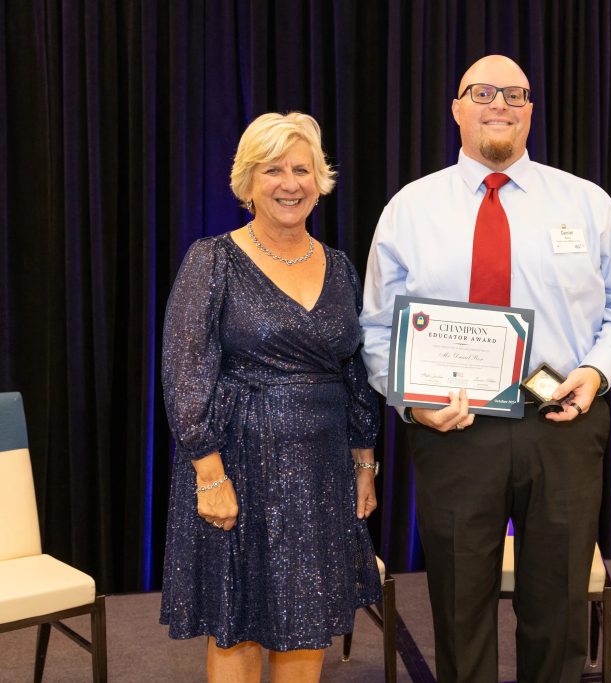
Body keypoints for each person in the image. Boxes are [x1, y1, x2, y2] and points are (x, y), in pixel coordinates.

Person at [360, 55, 611, 682]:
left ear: (530, 111)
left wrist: (597, 372)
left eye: (515, 94)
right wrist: (412, 403)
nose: (499, 104)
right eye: (483, 92)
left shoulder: (587, 203)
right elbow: (378, 330)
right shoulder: (411, 208)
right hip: (452, 430)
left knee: (560, 609)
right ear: (456, 108)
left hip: (562, 424)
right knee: (458, 606)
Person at [160, 112, 381, 682]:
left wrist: (364, 464)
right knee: (238, 623)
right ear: (248, 182)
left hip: (322, 470)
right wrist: (209, 474)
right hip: (238, 463)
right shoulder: (213, 259)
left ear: (320, 181)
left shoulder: (340, 267)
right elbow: (185, 373)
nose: (289, 184)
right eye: (273, 170)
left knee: (308, 619)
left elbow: (355, 372)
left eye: (301, 170)